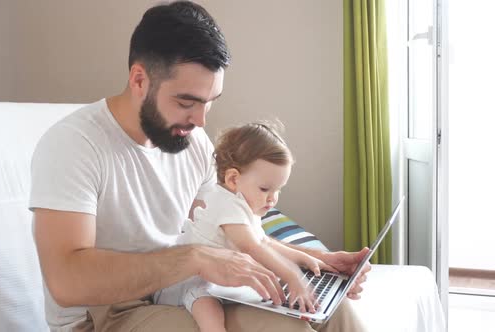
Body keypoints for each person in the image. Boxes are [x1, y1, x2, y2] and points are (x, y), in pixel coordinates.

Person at [29, 1, 371, 331]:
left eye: (210, 102)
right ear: (138, 80)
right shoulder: (74, 145)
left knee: (332, 312)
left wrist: (317, 261)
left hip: (182, 291)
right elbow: (66, 281)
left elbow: (226, 228)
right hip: (107, 314)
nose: (200, 119)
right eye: (186, 101)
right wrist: (193, 258)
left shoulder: (192, 141)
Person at [153, 122, 342, 332]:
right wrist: (292, 276)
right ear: (233, 179)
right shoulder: (224, 203)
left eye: (278, 190)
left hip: (220, 275)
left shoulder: (244, 204)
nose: (272, 199)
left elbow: (263, 241)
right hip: (187, 280)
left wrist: (304, 259)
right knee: (206, 303)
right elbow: (253, 247)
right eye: (265, 189)